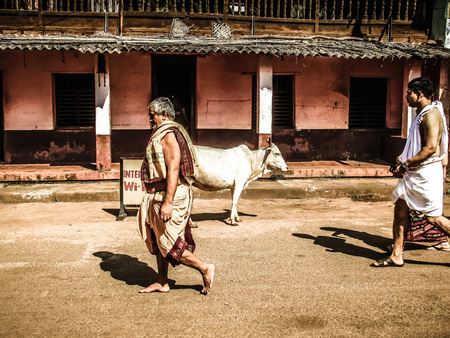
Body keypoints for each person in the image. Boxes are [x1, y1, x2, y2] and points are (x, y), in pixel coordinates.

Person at [136, 97, 215, 293]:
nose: (149, 118)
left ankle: (205, 268)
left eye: (152, 114)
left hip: (170, 196)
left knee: (169, 243)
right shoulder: (160, 134)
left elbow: (173, 170)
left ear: (164, 115)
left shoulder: (169, 135)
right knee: (158, 238)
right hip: (158, 195)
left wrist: (168, 202)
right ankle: (162, 281)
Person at [372, 77, 450, 267]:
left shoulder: (431, 115)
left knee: (433, 217)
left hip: (425, 174)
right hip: (415, 175)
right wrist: (403, 158)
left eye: (409, 93)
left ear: (419, 94)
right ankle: (396, 255)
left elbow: (431, 147)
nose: (406, 97)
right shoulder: (422, 114)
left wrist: (406, 165)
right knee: (400, 209)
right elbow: (418, 145)